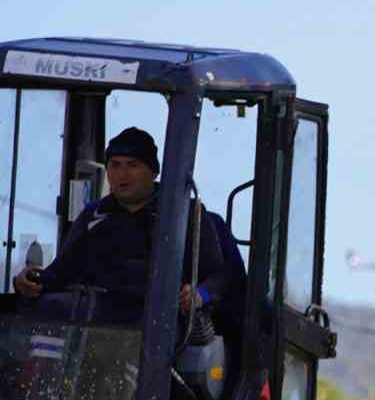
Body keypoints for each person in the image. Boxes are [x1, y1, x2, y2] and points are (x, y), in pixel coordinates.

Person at [14, 127, 240, 326]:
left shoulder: (186, 214)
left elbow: (221, 277)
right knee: (50, 307)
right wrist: (28, 281)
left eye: (133, 165)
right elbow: (62, 272)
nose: (122, 174)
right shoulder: (94, 215)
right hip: (98, 312)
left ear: (154, 171)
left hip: (161, 316)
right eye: (115, 165)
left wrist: (199, 294)